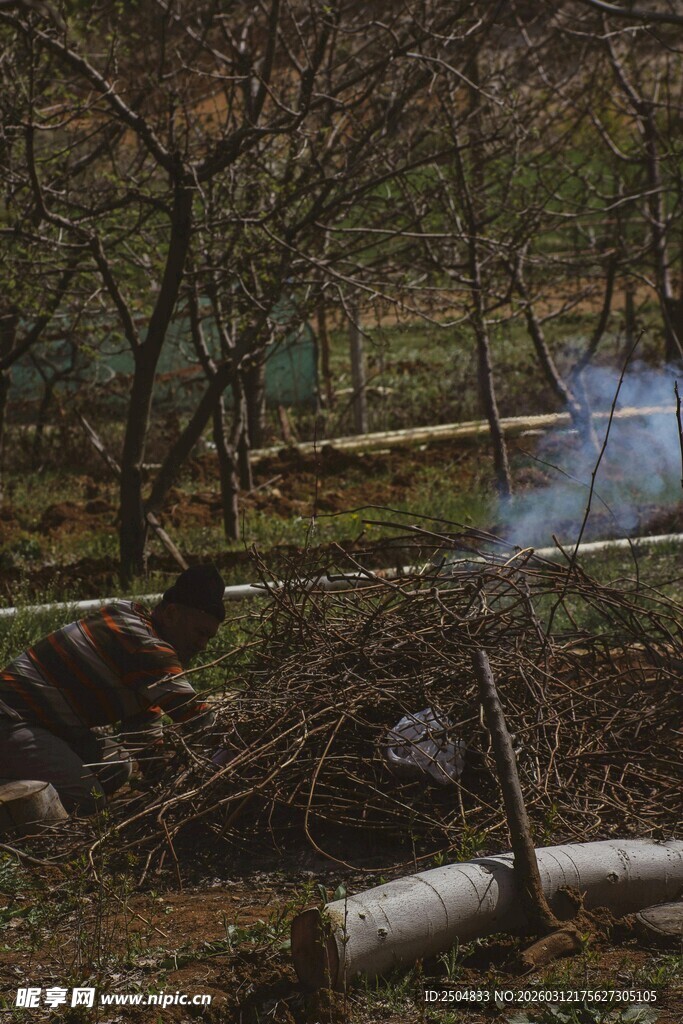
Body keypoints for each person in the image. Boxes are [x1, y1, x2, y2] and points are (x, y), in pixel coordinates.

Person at [0, 564, 225, 815]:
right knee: (86, 799)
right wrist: (236, 742)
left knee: (116, 766)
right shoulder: (147, 648)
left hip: (50, 726)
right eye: (200, 632)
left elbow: (142, 733)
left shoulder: (137, 634)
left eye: (209, 637)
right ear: (171, 614)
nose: (203, 645)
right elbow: (198, 718)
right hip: (12, 719)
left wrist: (164, 784)